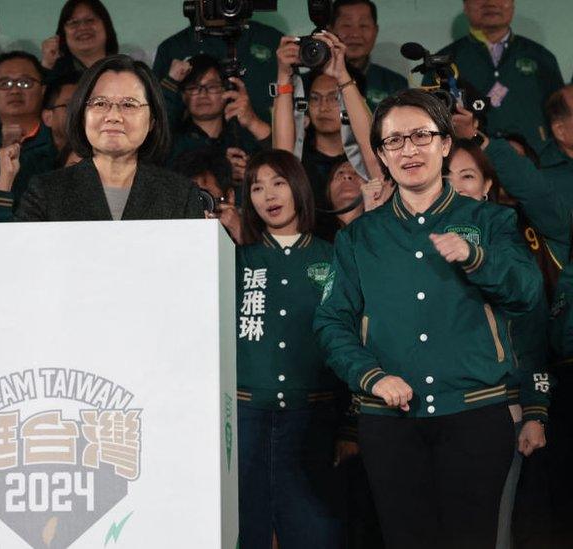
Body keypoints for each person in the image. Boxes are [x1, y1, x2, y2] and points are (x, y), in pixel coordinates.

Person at [314, 89, 543, 549]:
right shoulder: (360, 237)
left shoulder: (490, 221)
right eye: (394, 141)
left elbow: (528, 292)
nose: (409, 149)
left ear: (444, 144)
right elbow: (331, 322)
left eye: (421, 135)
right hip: (390, 422)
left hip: (476, 412)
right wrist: (372, 378)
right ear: (379, 155)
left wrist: (475, 257)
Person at [235, 149, 346, 549]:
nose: (268, 195)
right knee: (246, 526)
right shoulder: (236, 258)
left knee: (314, 526)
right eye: (257, 187)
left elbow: (349, 339)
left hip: (312, 413)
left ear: (298, 187)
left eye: (278, 183)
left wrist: (347, 425)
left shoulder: (333, 257)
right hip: (246, 414)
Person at [446, 138, 550, 549]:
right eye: (445, 176)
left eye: (467, 175)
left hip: (498, 404)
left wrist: (535, 411)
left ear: (488, 184)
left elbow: (531, 325)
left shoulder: (503, 233)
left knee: (491, 531)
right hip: (427, 406)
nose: (455, 185)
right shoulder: (410, 235)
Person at [0, 54, 201, 222]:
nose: (113, 116)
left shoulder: (180, 194)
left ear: (152, 120)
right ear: (81, 115)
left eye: (128, 105)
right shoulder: (47, 191)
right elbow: (13, 259)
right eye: (100, 104)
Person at [272, 31, 382, 239]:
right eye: (315, 99)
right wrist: (284, 74)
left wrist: (342, 75)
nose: (323, 107)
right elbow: (282, 156)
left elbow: (371, 150)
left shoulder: (365, 164)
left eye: (334, 98)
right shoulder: (300, 161)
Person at [453, 86, 573, 268]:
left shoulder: (553, 218)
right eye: (492, 162)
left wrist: (475, 137)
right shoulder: (476, 224)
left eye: (517, 161)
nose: (502, 170)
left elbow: (534, 191)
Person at [434, 0, 563, 147]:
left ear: (512, 4)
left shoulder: (542, 57)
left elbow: (562, 115)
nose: (491, 3)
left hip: (537, 160)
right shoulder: (443, 62)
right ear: (465, 6)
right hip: (472, 161)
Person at [153, 11, 282, 124]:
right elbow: (157, 121)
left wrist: (254, 123)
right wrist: (171, 82)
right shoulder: (174, 49)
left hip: (263, 144)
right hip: (191, 148)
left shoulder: (271, 40)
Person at [0, 51, 55, 205]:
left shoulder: (59, 140)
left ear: (42, 90)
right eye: (5, 84)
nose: (14, 91)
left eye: (25, 83)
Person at [165, 54, 270, 166]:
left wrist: (248, 176)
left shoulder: (242, 140)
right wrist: (171, 81)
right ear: (183, 96)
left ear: (227, 91)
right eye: (193, 88)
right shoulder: (172, 141)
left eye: (212, 87)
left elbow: (279, 162)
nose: (203, 94)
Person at [328, 0, 407, 111]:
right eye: (346, 25)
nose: (355, 34)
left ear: (376, 31)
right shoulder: (309, 82)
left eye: (363, 25)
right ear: (330, 30)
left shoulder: (395, 84)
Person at [172, 146, 242, 244]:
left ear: (230, 197)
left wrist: (238, 231)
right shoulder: (171, 234)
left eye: (204, 198)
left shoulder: (253, 232)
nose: (197, 206)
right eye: (190, 197)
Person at [41, 0, 117, 83]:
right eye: (74, 22)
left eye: (90, 20)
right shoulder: (51, 73)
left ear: (106, 26)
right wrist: (47, 67)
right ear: (63, 33)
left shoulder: (125, 69)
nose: (82, 27)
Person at [41, 71, 79, 156]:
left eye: (84, 105)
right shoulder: (31, 161)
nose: (79, 111)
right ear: (48, 118)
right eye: (70, 105)